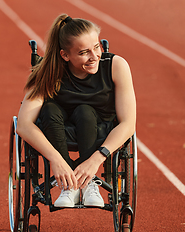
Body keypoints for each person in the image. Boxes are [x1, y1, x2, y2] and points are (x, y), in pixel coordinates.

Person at [16, 14, 136, 208]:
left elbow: (128, 123)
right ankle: (69, 186)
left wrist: (96, 159)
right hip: (56, 131)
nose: (94, 56)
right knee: (49, 109)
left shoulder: (116, 66)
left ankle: (88, 182)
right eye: (84, 52)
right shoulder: (47, 72)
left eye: (96, 47)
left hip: (99, 132)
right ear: (65, 55)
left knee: (85, 111)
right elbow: (23, 124)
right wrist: (56, 160)